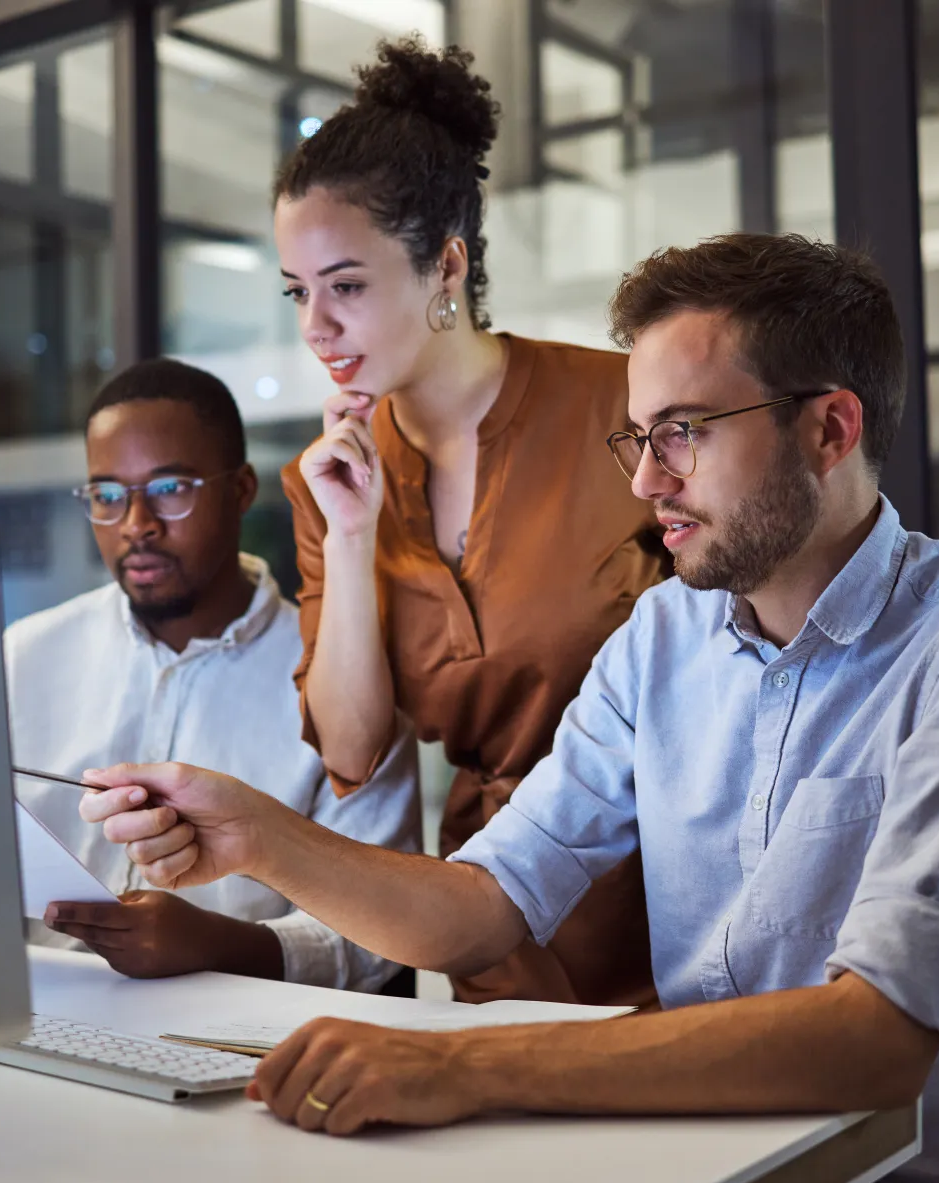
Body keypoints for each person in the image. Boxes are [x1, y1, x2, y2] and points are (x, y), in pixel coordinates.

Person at [81, 235, 939, 1183]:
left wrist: (475, 1068)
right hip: (705, 1164)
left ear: (829, 430)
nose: (645, 482)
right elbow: (481, 908)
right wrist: (256, 834)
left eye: (684, 430)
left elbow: (876, 1039)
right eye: (638, 437)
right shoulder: (662, 638)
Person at [275, 36, 667, 1006]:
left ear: (445, 264)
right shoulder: (329, 482)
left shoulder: (624, 405)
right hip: (487, 925)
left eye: (346, 285)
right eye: (297, 292)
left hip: (670, 902)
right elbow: (354, 752)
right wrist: (356, 531)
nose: (314, 329)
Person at [5, 357, 420, 992]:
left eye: (170, 488)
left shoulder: (341, 681)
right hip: (36, 1014)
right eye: (107, 496)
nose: (135, 524)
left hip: (241, 1040)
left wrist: (221, 945)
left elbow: (384, 937)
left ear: (242, 490)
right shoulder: (25, 657)